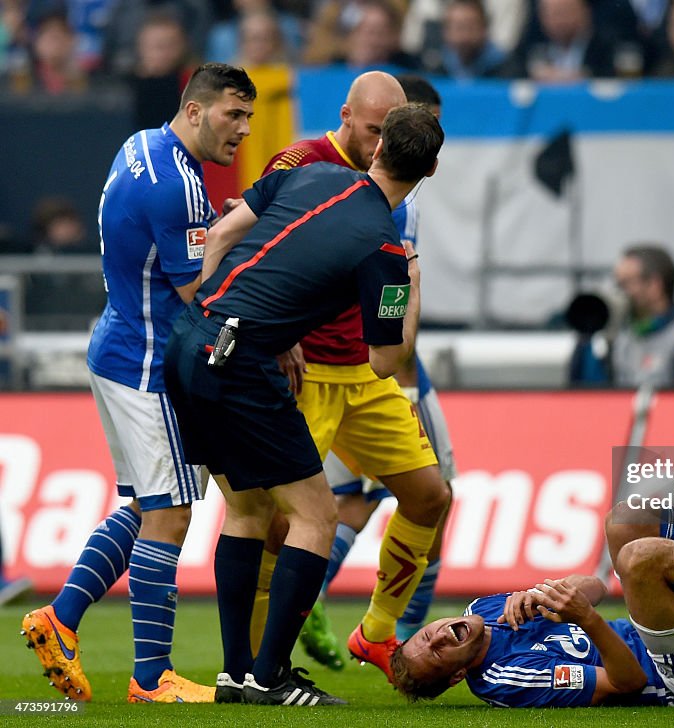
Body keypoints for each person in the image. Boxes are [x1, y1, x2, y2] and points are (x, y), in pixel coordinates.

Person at [163, 102, 444, 706]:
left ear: (377, 148)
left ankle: (237, 675)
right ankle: (271, 678)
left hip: (190, 343)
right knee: (315, 514)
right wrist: (413, 281)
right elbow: (387, 362)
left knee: (246, 513)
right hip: (243, 366)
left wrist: (214, 307)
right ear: (432, 169)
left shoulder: (309, 173)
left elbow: (225, 231)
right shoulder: (387, 253)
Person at [21, 62, 256, 703]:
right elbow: (195, 289)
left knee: (147, 507)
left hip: (119, 345)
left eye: (249, 117)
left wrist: (219, 221)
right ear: (197, 110)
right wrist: (245, 231)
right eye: (233, 115)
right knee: (173, 513)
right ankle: (152, 680)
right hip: (150, 362)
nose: (242, 130)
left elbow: (172, 238)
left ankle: (59, 620)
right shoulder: (179, 184)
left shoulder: (143, 146)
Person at [294, 75, 458, 668]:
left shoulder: (316, 179)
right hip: (342, 371)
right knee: (292, 515)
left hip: (340, 370)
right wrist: (410, 283)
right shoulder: (384, 230)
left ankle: (369, 629)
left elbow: (238, 231)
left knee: (400, 498)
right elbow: (391, 347)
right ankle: (269, 655)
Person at [390, 505, 674, 706]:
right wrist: (585, 619)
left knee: (625, 518)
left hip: (665, 623)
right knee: (638, 559)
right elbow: (626, 682)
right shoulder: (505, 678)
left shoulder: (485, 608)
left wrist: (549, 591)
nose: (435, 636)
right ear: (455, 675)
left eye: (425, 634)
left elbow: (593, 584)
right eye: (434, 651)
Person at [569, 245, 674, 389]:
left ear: (655, 285)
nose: (618, 292)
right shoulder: (615, 331)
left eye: (625, 284)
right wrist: (593, 338)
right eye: (616, 283)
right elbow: (581, 395)